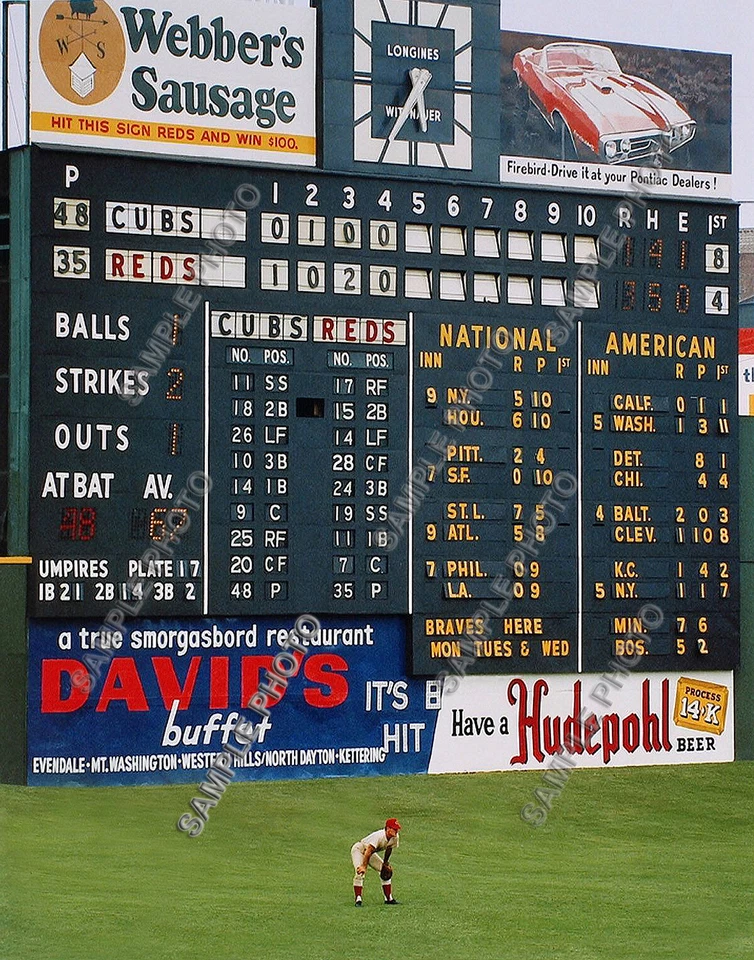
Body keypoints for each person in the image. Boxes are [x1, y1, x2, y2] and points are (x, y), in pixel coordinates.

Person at [350, 818, 401, 906]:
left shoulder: (395, 837)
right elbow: (368, 851)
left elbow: (389, 849)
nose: (396, 831)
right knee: (360, 871)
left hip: (369, 853)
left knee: (385, 871)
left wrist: (385, 863)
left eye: (397, 829)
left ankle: (389, 898)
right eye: (394, 828)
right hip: (359, 849)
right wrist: (364, 866)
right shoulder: (379, 836)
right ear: (388, 828)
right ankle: (358, 899)